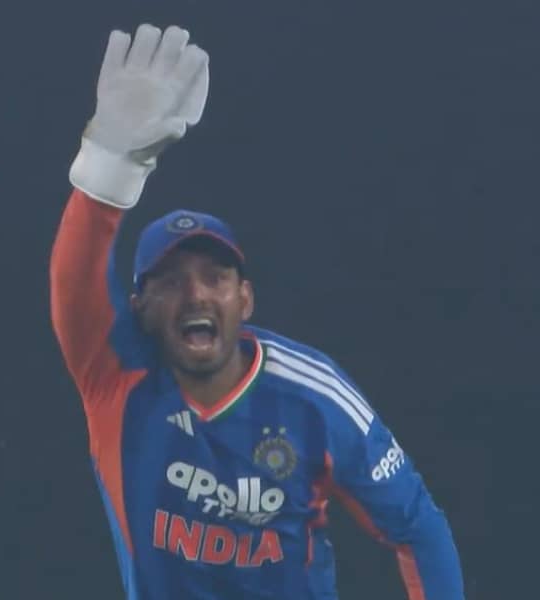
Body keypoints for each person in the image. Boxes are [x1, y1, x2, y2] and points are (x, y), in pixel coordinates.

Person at [49, 23, 465, 600]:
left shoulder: (315, 396)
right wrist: (110, 166)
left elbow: (417, 528)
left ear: (245, 299)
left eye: (216, 278)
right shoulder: (116, 380)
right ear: (139, 307)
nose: (196, 295)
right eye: (172, 281)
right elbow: (74, 285)